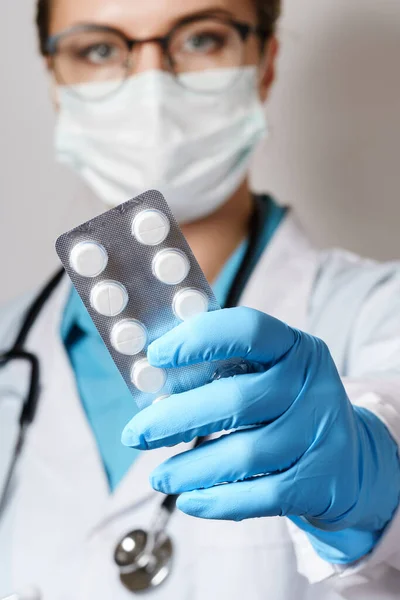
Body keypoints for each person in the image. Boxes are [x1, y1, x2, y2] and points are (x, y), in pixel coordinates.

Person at [0, 0, 399, 598]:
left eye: (200, 39)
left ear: (264, 63)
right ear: (57, 83)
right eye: (100, 49)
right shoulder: (11, 346)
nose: (152, 87)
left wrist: (375, 480)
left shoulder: (378, 312)